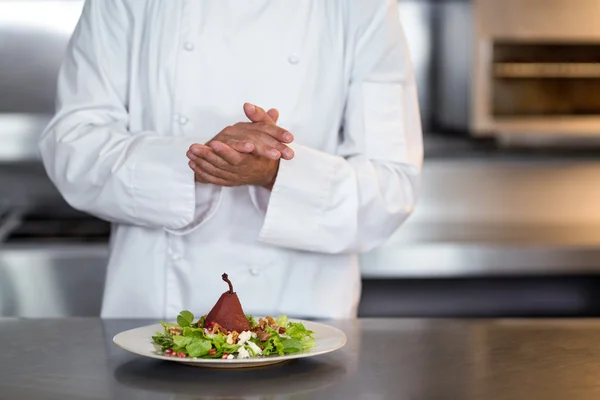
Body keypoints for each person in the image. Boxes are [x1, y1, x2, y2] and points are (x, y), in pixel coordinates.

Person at [39, 0, 423, 319]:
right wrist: (200, 162)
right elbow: (74, 146)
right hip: (153, 318)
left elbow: (391, 187)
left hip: (306, 320)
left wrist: (276, 172)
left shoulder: (361, 7)